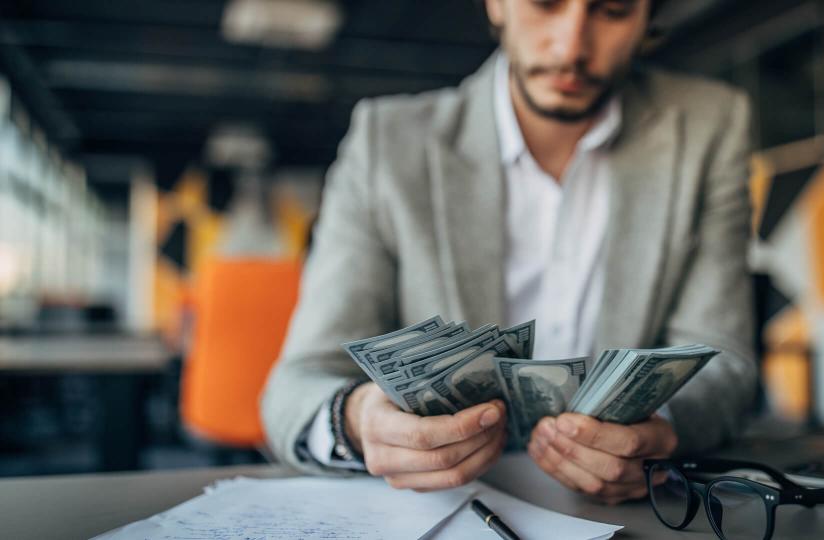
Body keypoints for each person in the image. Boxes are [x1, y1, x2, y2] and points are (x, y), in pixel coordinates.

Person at [261, 0, 756, 505]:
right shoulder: (386, 143)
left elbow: (726, 362)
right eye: (545, 5)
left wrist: (660, 432)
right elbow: (298, 382)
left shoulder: (710, 128)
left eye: (612, 11)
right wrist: (358, 422)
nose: (570, 48)